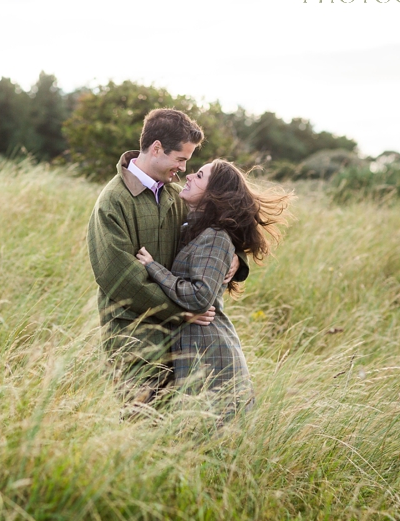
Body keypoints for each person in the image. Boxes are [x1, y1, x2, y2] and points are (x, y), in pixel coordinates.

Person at [86, 109, 247, 407]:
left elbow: (212, 233)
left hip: (181, 339)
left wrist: (236, 258)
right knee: (140, 421)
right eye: (181, 159)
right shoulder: (113, 202)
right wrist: (182, 313)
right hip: (133, 334)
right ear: (157, 148)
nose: (184, 169)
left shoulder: (177, 196)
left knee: (175, 431)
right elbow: (119, 277)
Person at [135, 159, 291, 418]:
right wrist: (237, 255)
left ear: (213, 194)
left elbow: (199, 298)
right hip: (191, 347)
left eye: (199, 176)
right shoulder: (192, 225)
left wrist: (153, 267)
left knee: (213, 438)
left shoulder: (214, 235)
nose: (188, 177)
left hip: (209, 349)